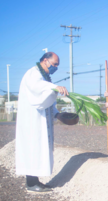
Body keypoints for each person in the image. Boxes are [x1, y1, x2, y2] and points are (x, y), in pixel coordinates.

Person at [15, 52, 69, 193]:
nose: (56, 67)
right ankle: (31, 183)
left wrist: (57, 114)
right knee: (33, 148)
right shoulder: (33, 74)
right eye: (54, 64)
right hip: (32, 120)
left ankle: (35, 181)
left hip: (40, 120)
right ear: (45, 61)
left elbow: (47, 100)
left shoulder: (44, 76)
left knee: (38, 148)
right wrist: (54, 87)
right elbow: (38, 88)